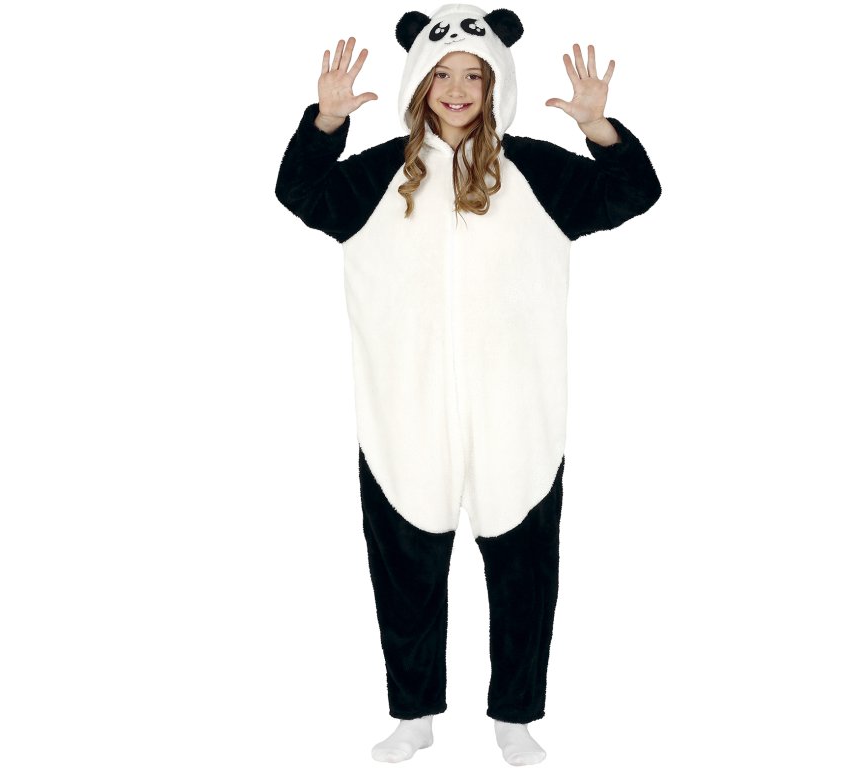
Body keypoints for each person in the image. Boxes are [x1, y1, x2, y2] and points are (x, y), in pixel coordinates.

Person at [274, 5, 661, 764]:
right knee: (405, 569)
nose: (457, 89)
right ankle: (414, 715)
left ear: (495, 84)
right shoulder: (382, 174)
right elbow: (301, 193)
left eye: (474, 76)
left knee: (524, 572)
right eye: (442, 73)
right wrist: (325, 123)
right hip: (403, 407)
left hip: (518, 408)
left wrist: (599, 129)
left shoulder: (534, 171)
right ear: (418, 81)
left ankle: (515, 717)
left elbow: (632, 194)